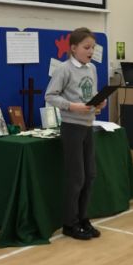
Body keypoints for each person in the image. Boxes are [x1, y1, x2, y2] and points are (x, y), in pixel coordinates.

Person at [45, 27, 106, 240]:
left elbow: (91, 94)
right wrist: (72, 106)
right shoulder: (64, 69)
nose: (91, 51)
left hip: (88, 126)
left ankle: (83, 218)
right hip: (72, 127)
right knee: (76, 177)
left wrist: (98, 103)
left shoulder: (92, 69)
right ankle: (69, 223)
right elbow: (50, 96)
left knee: (90, 175)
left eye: (93, 48)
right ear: (73, 48)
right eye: (86, 47)